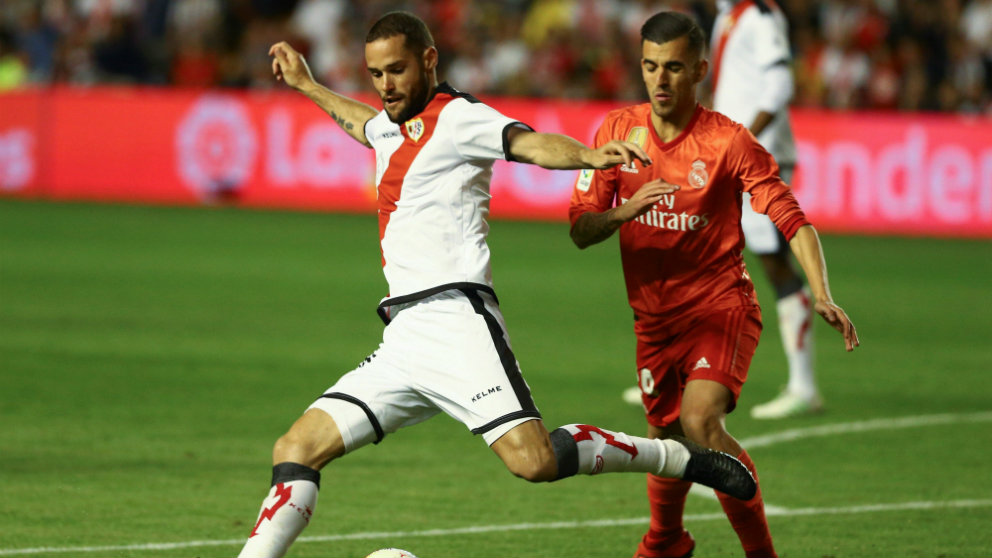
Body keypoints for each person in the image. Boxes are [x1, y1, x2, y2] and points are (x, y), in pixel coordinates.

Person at [238, 11, 756, 558]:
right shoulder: (392, 124)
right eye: (376, 74)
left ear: (429, 60)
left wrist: (586, 155)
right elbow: (363, 124)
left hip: (457, 322)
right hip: (403, 338)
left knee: (535, 463)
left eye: (397, 70)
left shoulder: (460, 118)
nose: (386, 85)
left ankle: (676, 457)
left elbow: (528, 144)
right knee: (296, 448)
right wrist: (308, 85)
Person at [569, 11, 858, 558]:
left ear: (700, 69)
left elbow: (790, 216)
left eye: (674, 67)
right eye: (651, 66)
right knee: (664, 440)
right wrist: (624, 211)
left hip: (720, 309)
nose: (660, 80)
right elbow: (581, 230)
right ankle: (666, 540)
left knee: (699, 420)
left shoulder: (728, 142)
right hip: (653, 321)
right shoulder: (614, 132)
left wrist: (820, 291)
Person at [711, 0, 820, 419]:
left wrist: (743, 137)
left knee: (775, 262)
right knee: (707, 255)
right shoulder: (730, 15)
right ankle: (684, 372)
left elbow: (779, 85)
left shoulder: (761, 15)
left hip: (760, 158)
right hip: (730, 156)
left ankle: (804, 386)